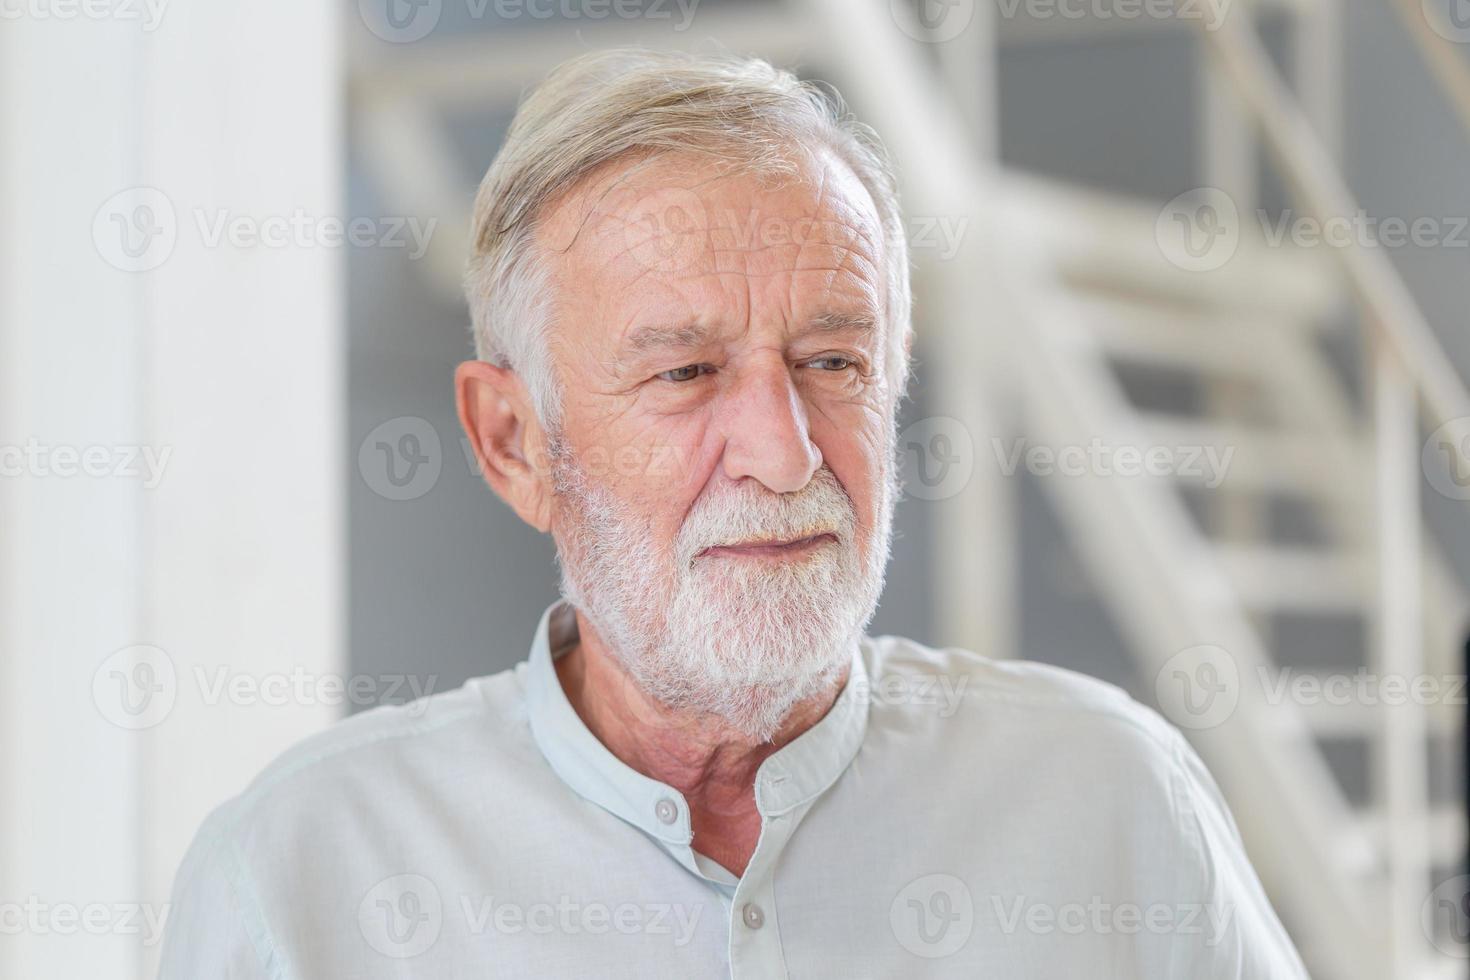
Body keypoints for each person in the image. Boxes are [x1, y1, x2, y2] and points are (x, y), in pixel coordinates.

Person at [157, 48, 1307, 978]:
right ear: (514, 443)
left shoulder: (1112, 797)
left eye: (832, 360)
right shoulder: (301, 876)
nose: (783, 449)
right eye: (684, 373)